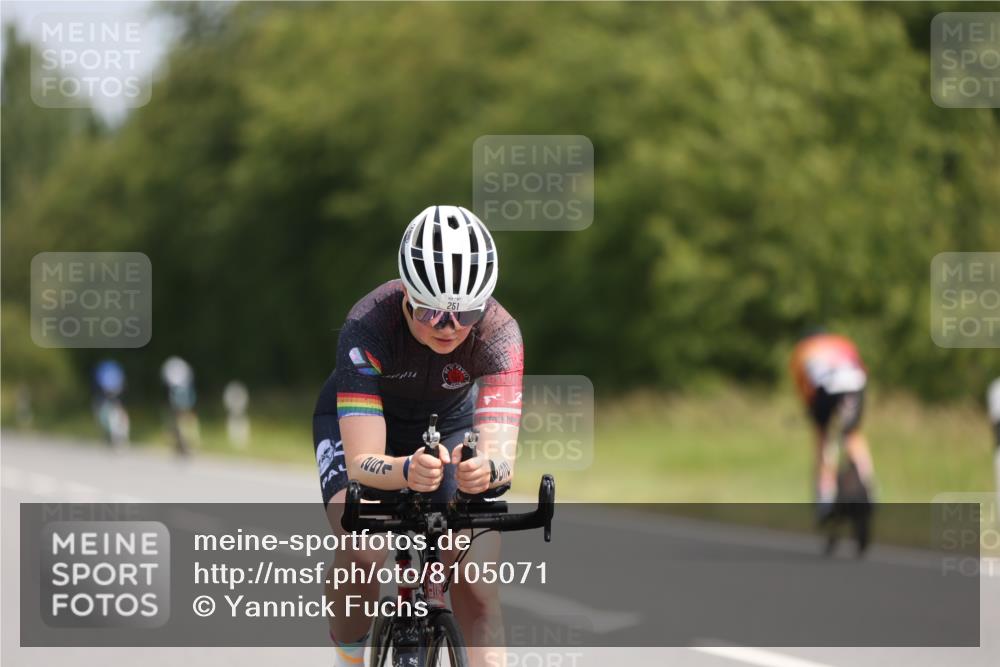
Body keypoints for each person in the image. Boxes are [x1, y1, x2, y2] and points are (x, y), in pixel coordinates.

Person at [313, 205, 522, 667]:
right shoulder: (368, 325)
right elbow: (363, 458)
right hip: (364, 426)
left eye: (465, 312)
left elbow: (501, 457)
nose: (448, 327)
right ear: (407, 293)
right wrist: (405, 468)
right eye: (431, 311)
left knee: (478, 578)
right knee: (362, 548)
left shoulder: (499, 333)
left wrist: (484, 469)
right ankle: (349, 656)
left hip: (448, 426)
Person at [790, 329, 875, 523]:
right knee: (852, 434)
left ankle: (826, 498)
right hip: (854, 384)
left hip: (825, 388)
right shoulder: (842, 342)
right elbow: (861, 368)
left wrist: (811, 414)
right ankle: (869, 490)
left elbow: (804, 387)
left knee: (823, 439)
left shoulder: (803, 349)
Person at [92, 359, 130, 449]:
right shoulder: (109, 374)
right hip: (107, 399)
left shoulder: (111, 374)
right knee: (104, 414)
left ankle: (120, 434)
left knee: (119, 412)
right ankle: (109, 435)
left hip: (113, 398)